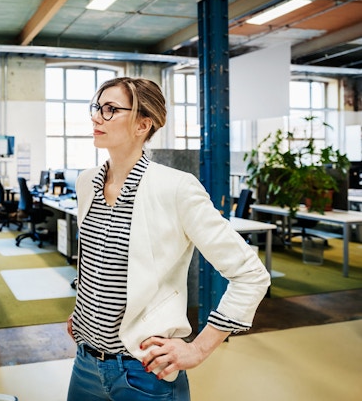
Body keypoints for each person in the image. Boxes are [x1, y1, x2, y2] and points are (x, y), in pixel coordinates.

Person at [66, 77, 271, 401]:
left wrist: (199, 349)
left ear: (142, 124)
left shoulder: (176, 187)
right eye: (96, 107)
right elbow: (101, 261)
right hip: (85, 363)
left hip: (143, 372)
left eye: (110, 109)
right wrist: (86, 310)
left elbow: (251, 275)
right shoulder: (87, 182)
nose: (96, 117)